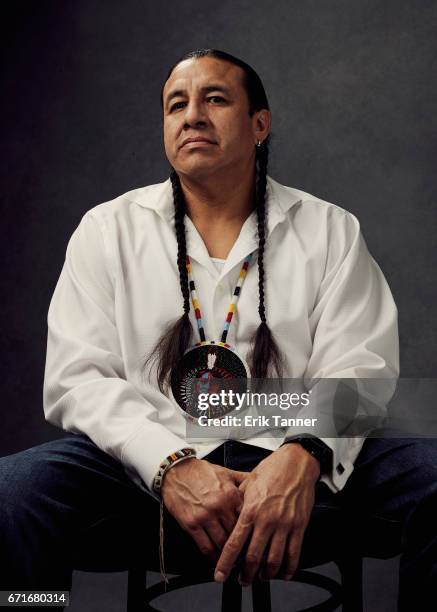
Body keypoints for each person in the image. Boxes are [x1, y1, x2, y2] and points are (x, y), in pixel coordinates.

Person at [0, 48, 435, 612]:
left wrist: (303, 454)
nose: (192, 115)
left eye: (215, 99)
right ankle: (27, 608)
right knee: (10, 494)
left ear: (260, 124)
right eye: (176, 104)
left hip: (291, 448)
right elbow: (77, 379)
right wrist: (168, 464)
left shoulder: (328, 229)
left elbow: (361, 366)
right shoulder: (107, 230)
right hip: (148, 453)